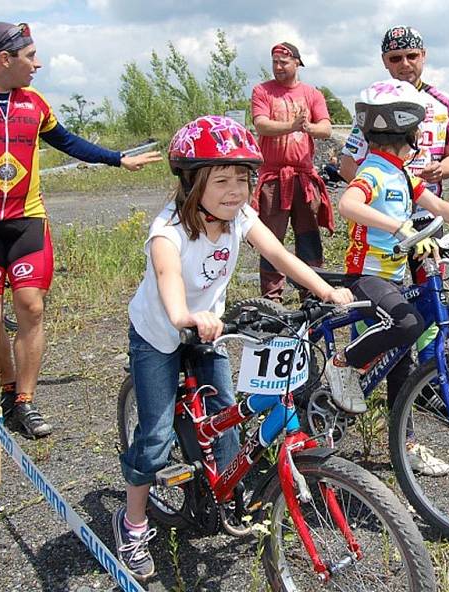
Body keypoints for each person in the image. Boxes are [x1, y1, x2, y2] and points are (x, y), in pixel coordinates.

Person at [114, 115, 353, 581]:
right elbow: (167, 280)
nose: (234, 191)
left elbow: (279, 254)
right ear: (191, 184)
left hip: (208, 332)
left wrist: (324, 291)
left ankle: (223, 496)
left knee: (226, 412)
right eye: (220, 180)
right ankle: (133, 522)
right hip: (160, 333)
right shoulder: (169, 232)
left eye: (242, 180)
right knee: (157, 437)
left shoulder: (240, 216)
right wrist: (185, 317)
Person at [0, 22, 161, 438]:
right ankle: (6, 388)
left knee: (31, 307)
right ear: (4, 59)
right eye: (30, 57)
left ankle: (25, 402)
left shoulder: (35, 104)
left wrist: (118, 159)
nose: (38, 63)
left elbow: (69, 142)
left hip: (27, 221)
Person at [328, 79, 449, 476]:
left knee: (400, 362)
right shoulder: (375, 171)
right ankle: (341, 363)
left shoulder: (401, 174)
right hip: (366, 276)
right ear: (413, 135)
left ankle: (407, 445)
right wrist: (399, 227)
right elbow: (348, 203)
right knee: (408, 323)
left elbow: (435, 203)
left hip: (394, 277)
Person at [339, 26, 449, 202]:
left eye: (412, 56)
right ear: (384, 61)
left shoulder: (444, 103)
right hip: (384, 216)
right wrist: (382, 197)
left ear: (423, 55)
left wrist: (440, 169)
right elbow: (347, 164)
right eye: (395, 58)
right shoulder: (373, 102)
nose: (405, 63)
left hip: (428, 213)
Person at [251, 41, 333, 302]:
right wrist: (291, 126)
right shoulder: (262, 91)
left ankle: (312, 294)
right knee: (270, 239)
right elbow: (262, 125)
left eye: (284, 62)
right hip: (273, 178)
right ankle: (272, 297)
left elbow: (326, 129)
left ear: (297, 62)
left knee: (308, 236)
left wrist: (306, 126)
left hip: (303, 177)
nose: (278, 67)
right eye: (274, 62)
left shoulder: (312, 94)